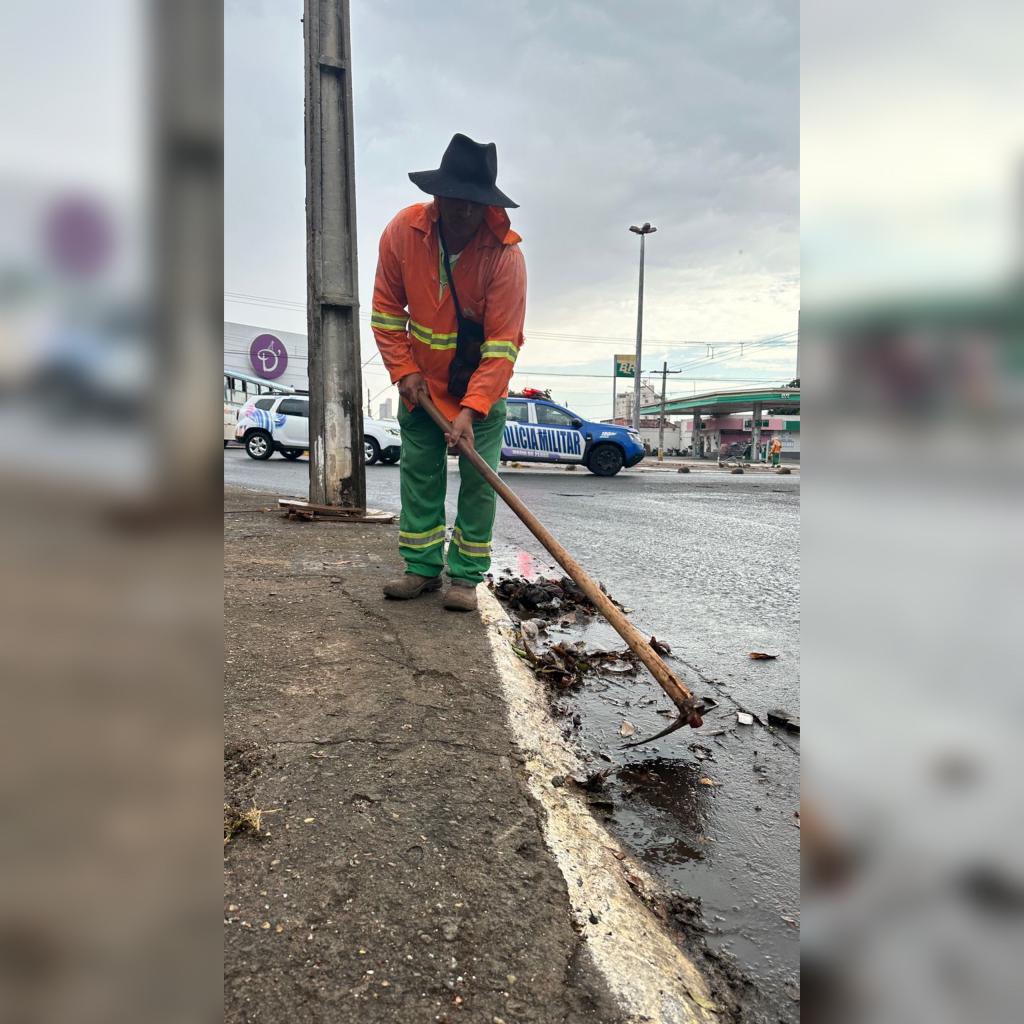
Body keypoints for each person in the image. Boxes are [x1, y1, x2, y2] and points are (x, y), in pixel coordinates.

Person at [371, 134, 526, 612]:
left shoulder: (504, 256)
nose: (462, 213)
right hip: (419, 387)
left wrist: (472, 409)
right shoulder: (403, 232)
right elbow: (385, 311)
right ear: (437, 197)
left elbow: (502, 346)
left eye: (473, 205)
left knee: (479, 483)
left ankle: (465, 577)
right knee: (419, 474)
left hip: (477, 391)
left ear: (487, 207)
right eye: (454, 201)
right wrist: (403, 370)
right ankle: (421, 568)